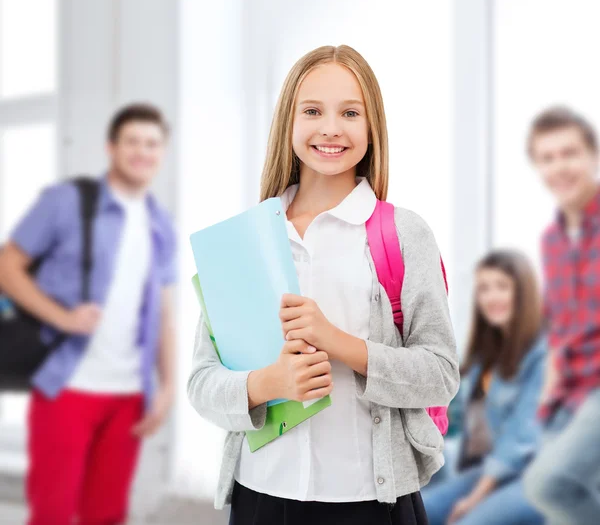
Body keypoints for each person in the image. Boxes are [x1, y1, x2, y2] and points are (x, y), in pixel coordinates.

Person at [187, 44, 459, 525]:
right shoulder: (245, 241)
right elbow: (201, 383)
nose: (330, 127)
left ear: (371, 127)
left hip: (371, 504)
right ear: (288, 123)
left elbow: (440, 374)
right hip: (260, 497)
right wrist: (267, 383)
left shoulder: (403, 234)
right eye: (312, 110)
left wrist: (338, 343)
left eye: (350, 112)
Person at [0, 103, 177, 525]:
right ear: (111, 147)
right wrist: (61, 319)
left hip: (129, 395)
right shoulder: (66, 202)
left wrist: (167, 385)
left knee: (107, 515)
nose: (142, 151)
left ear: (162, 153)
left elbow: (162, 312)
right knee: (53, 513)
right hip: (67, 386)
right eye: (132, 141)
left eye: (152, 143)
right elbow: (8, 266)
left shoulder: (159, 223)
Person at [423, 250, 545, 525]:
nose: (491, 297)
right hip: (486, 470)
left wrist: (474, 499)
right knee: (420, 513)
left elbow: (520, 439)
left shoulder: (542, 353)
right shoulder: (484, 358)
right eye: (484, 289)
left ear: (523, 292)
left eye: (502, 287)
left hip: (534, 475)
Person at [522, 106, 600, 524]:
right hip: (565, 400)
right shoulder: (552, 239)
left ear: (592, 155)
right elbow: (559, 329)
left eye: (569, 153)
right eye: (547, 158)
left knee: (546, 485)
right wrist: (548, 396)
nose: (559, 167)